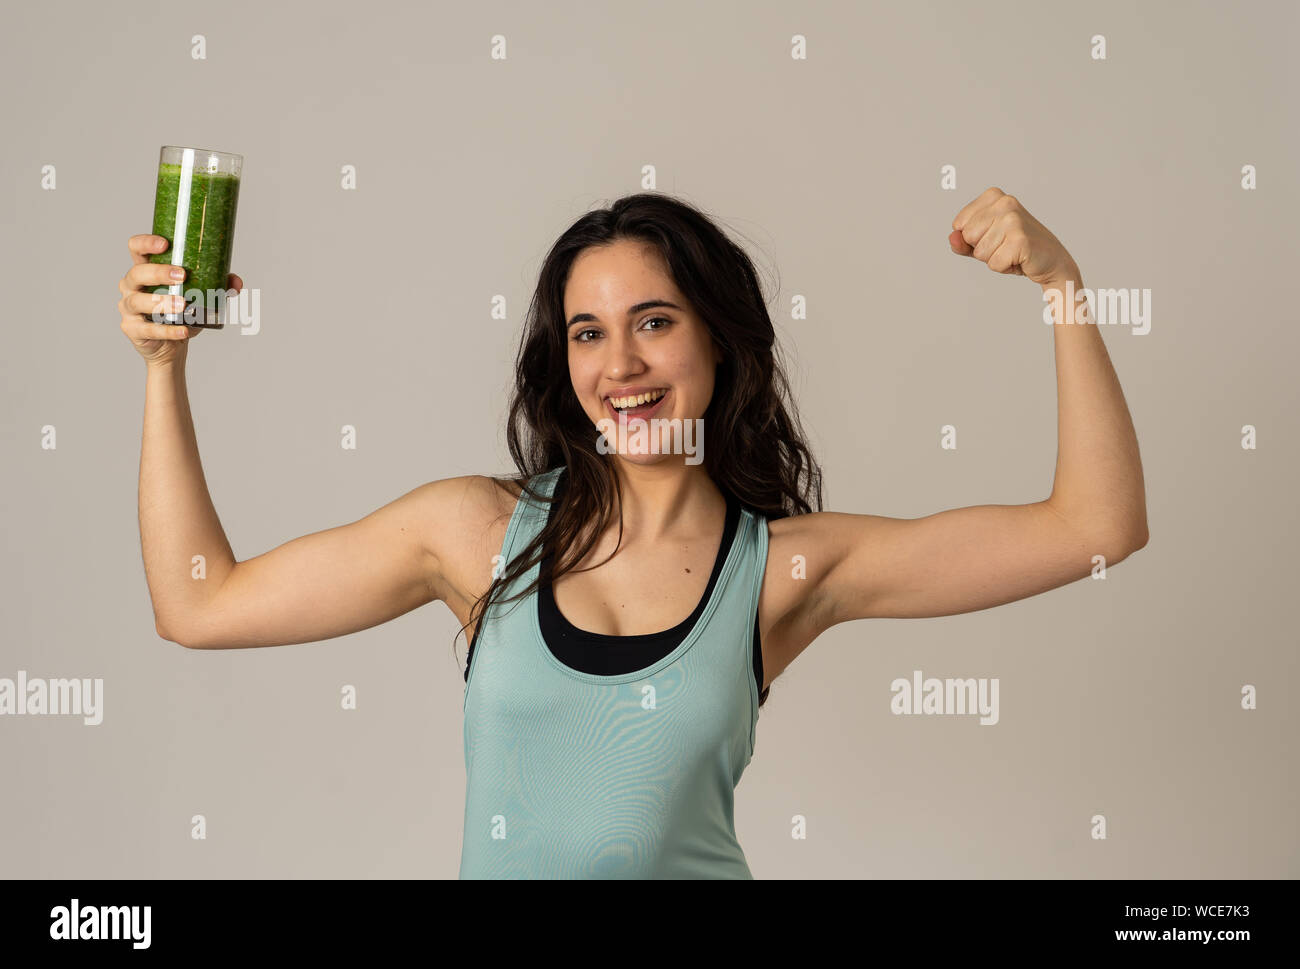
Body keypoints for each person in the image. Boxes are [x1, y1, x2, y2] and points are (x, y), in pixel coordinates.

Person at [117, 189, 1148, 879]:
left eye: (653, 320)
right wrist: (164, 372)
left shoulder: (786, 570)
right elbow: (198, 603)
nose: (620, 364)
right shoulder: (475, 533)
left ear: (717, 336)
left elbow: (1094, 526)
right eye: (586, 332)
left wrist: (1062, 287)